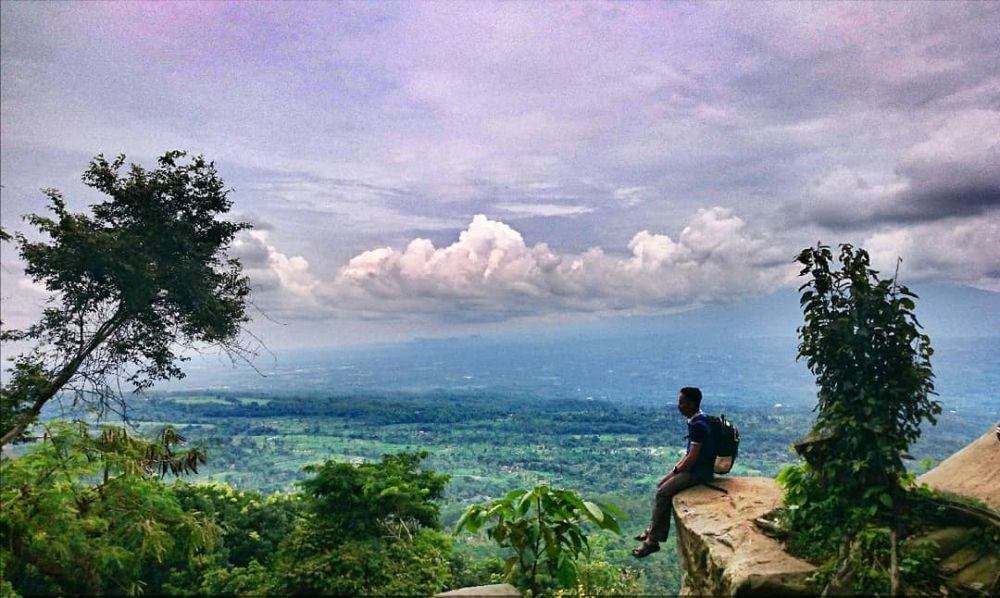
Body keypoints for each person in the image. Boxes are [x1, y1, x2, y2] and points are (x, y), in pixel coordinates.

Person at [632, 386, 716, 558]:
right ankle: (651, 530)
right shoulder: (699, 420)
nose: (679, 406)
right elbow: (689, 454)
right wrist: (674, 471)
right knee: (661, 486)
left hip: (698, 473)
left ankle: (652, 541)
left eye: (682, 402)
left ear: (691, 404)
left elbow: (692, 457)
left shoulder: (698, 426)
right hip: (697, 469)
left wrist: (675, 472)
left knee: (663, 492)